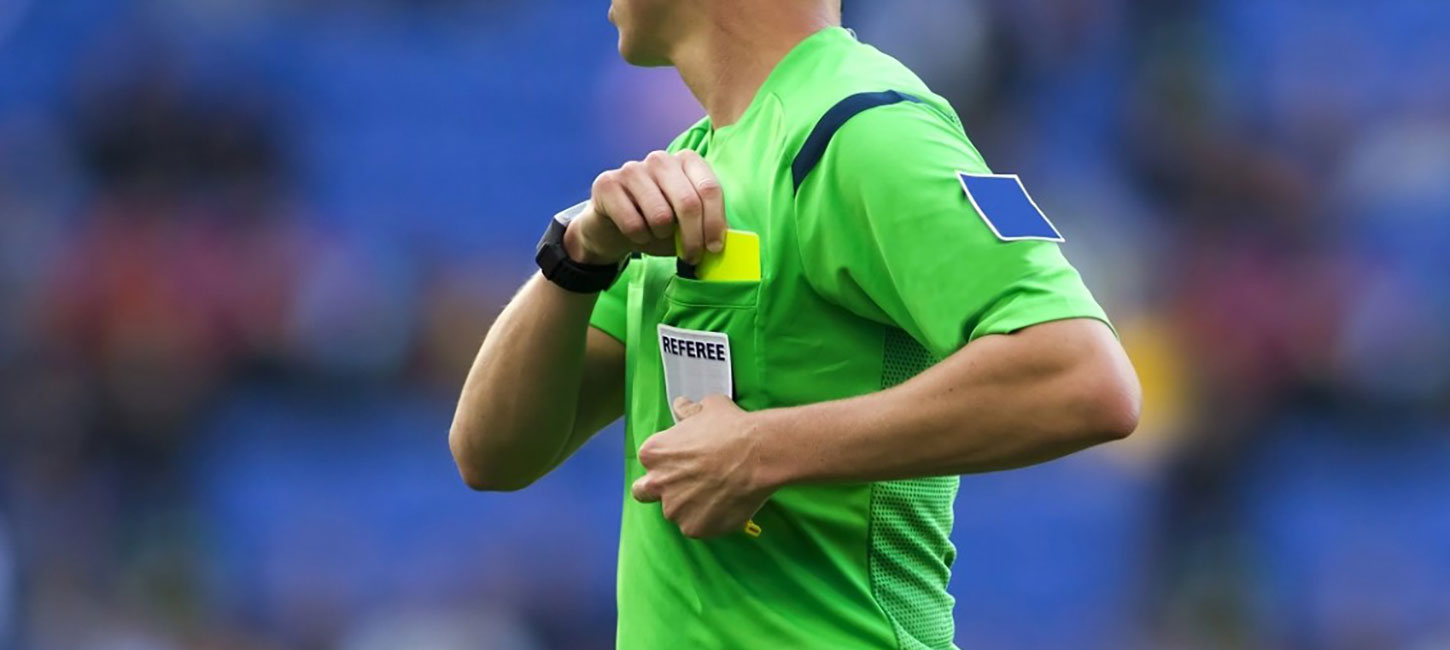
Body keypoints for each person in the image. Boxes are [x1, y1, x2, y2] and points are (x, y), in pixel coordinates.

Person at [449, 0, 1141, 647]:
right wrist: (577, 256)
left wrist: (763, 449)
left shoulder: (869, 128)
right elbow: (491, 453)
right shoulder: (695, 164)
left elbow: (1083, 377)